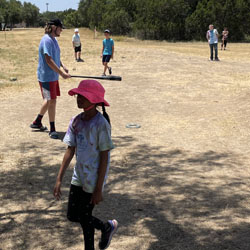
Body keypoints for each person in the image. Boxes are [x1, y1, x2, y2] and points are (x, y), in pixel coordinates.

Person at [53, 79, 118, 250]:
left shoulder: (101, 125)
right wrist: (59, 178)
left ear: (95, 100)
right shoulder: (75, 121)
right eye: (78, 95)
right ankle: (106, 227)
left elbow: (105, 157)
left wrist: (98, 188)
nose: (78, 98)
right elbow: (70, 150)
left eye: (83, 96)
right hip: (79, 176)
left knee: (85, 216)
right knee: (73, 215)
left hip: (93, 178)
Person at [30, 19, 71, 139]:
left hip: (53, 76)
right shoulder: (46, 40)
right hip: (46, 77)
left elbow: (55, 56)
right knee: (51, 101)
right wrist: (62, 74)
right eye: (60, 28)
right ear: (54, 27)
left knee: (50, 100)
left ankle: (37, 122)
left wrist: (63, 66)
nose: (61, 30)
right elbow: (48, 60)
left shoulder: (54, 39)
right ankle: (52, 129)